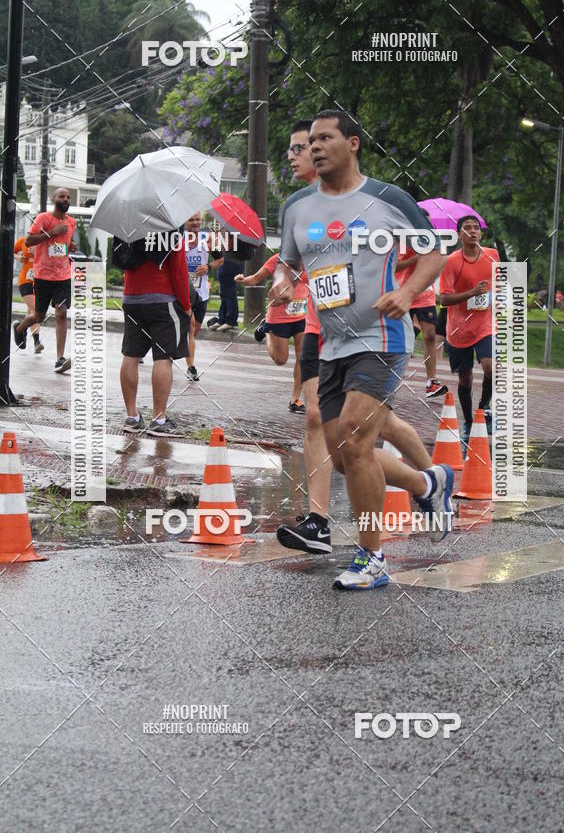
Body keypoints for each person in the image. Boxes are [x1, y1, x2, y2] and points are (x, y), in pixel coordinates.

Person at [271, 109, 454, 591]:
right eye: (310, 141)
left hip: (382, 337)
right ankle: (428, 484)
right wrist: (282, 284)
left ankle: (371, 559)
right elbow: (287, 264)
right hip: (330, 343)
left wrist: (410, 292)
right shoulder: (296, 207)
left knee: (354, 432)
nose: (314, 147)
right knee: (349, 451)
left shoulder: (387, 199)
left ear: (352, 143)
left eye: (325, 138)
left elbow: (434, 251)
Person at [120, 231, 191, 436]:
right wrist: (186, 305)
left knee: (131, 355)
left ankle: (132, 417)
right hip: (161, 298)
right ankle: (159, 419)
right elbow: (179, 271)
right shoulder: (170, 227)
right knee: (163, 357)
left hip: (131, 297)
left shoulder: (128, 226)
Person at [439, 215, 499, 448]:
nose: (473, 231)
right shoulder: (451, 261)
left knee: (491, 368)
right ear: (459, 235)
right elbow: (443, 299)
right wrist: (472, 293)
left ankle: (483, 409)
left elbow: (500, 283)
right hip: (458, 328)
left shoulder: (492, 255)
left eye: (476, 228)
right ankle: (468, 422)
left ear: (481, 234)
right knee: (465, 378)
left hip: (485, 323)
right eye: (467, 228)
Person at [13, 188, 76, 372]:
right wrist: (52, 232)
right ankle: (20, 328)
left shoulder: (72, 222)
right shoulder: (43, 218)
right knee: (39, 316)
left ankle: (59, 359)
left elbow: (62, 246)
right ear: (53, 199)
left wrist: (70, 246)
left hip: (63, 275)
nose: (65, 199)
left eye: (68, 197)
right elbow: (29, 241)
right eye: (62, 196)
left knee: (61, 313)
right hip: (42, 275)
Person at [235, 252, 308, 412]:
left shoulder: (311, 258)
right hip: (278, 316)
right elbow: (255, 278)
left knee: (302, 356)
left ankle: (295, 399)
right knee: (280, 360)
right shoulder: (278, 259)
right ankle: (265, 330)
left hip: (301, 315)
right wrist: (242, 279)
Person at [396, 245, 447, 398]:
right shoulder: (400, 237)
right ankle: (390, 378)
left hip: (425, 293)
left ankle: (431, 382)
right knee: (398, 337)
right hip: (402, 292)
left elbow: (438, 261)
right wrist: (415, 259)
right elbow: (394, 266)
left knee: (430, 335)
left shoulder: (429, 239)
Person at [184, 214, 224, 381]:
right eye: (191, 220)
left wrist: (208, 267)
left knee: (194, 330)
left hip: (201, 293)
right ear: (184, 222)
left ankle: (179, 350)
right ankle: (191, 367)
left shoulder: (207, 239)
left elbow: (220, 259)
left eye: (198, 220)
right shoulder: (177, 240)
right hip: (183, 291)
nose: (195, 223)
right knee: (191, 327)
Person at [13, 235, 43, 354]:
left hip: (40, 282)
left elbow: (53, 258)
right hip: (26, 280)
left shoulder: (45, 242)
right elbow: (11, 252)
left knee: (31, 311)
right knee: (35, 309)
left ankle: (21, 329)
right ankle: (37, 342)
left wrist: (38, 254)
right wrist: (19, 257)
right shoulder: (23, 240)